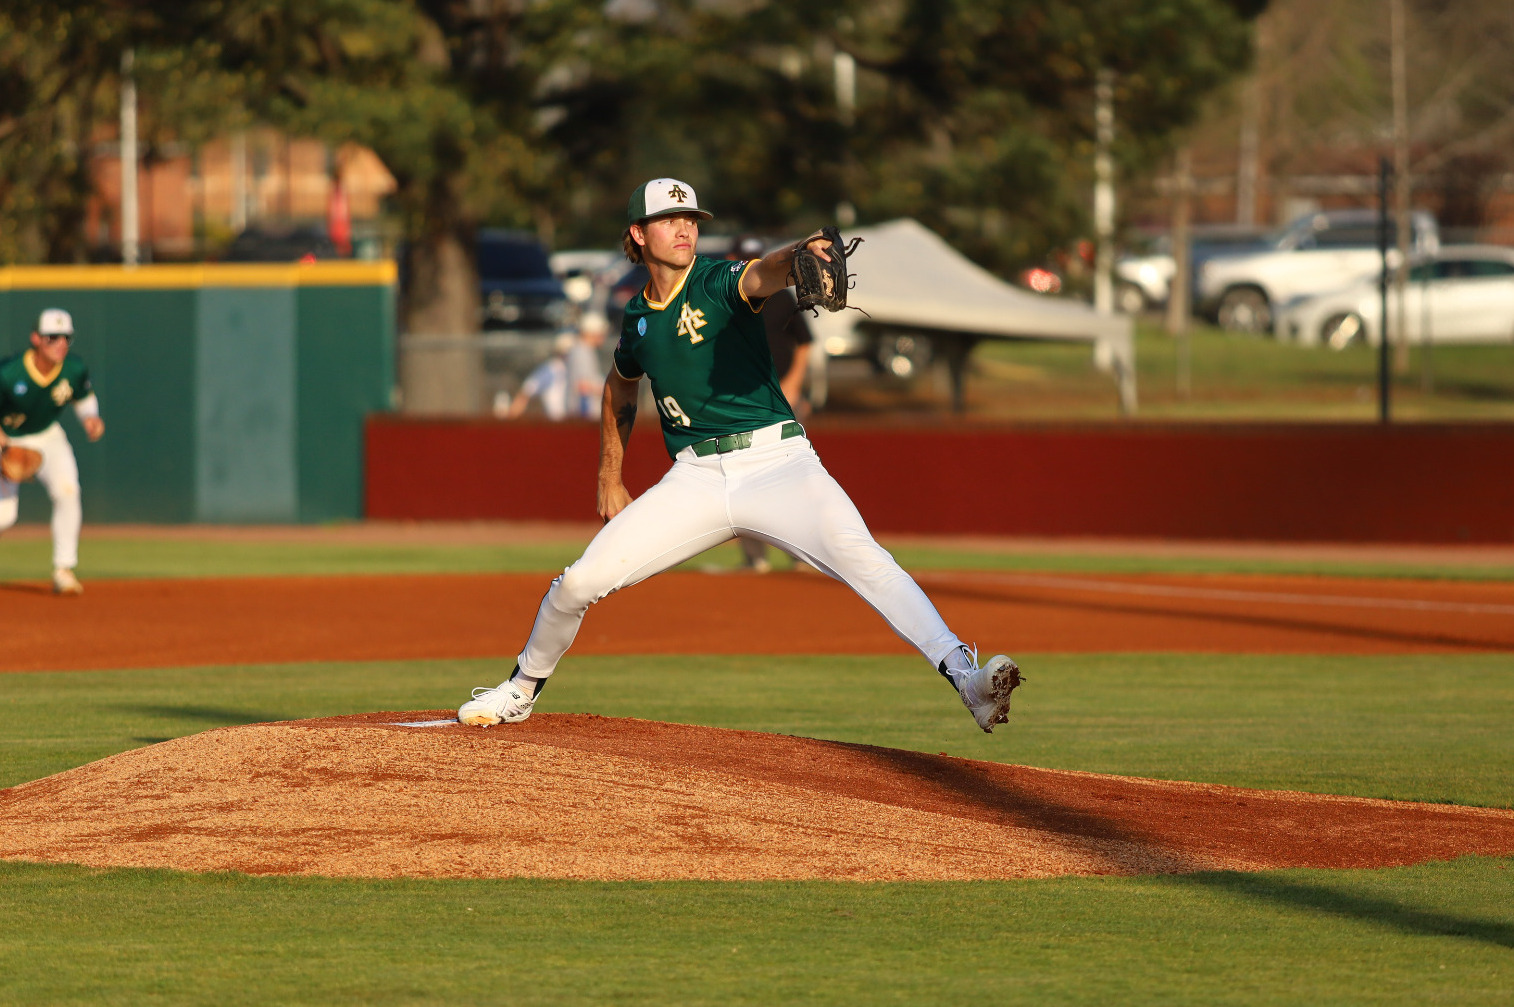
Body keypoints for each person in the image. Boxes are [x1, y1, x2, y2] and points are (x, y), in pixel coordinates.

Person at [457, 178, 1020, 733]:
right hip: (695, 478)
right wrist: (611, 473)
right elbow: (620, 383)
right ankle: (521, 688)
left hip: (780, 464)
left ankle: (968, 681)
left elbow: (764, 273)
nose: (684, 228)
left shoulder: (718, 281)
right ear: (637, 233)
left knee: (868, 561)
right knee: (578, 583)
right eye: (669, 219)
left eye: (691, 220)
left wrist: (798, 253)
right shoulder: (637, 317)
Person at [0, 309, 106, 595]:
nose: (60, 343)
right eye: (52, 337)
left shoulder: (73, 368)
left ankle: (63, 569)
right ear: (36, 338)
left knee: (67, 492)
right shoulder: (9, 373)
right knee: (4, 516)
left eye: (66, 337)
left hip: (48, 436)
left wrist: (90, 418)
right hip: (8, 440)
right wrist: (3, 444)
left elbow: (83, 397)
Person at [725, 234, 814, 573]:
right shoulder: (724, 299)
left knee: (790, 474)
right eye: (742, 257)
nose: (748, 263)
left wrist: (793, 384)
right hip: (741, 401)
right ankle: (754, 558)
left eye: (752, 257)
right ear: (732, 257)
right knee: (743, 476)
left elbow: (805, 343)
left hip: (780, 399)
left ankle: (802, 554)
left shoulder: (778, 295)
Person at [503, 332, 575, 420]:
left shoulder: (573, 370)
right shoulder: (551, 369)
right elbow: (525, 392)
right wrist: (511, 417)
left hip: (575, 419)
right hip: (556, 422)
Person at [565, 312, 610, 420]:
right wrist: (610, 391)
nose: (604, 336)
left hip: (587, 413)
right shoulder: (582, 351)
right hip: (585, 413)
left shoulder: (585, 350)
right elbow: (583, 386)